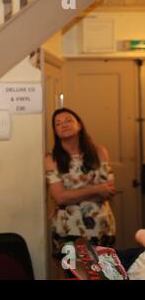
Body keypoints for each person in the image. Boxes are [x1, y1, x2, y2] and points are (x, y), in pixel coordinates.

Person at [45, 108, 116, 260]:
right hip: (68, 229)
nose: (63, 124)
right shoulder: (52, 159)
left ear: (80, 125)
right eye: (58, 123)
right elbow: (60, 198)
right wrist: (96, 189)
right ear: (55, 131)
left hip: (101, 226)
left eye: (68, 120)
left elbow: (109, 190)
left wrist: (73, 194)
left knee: (104, 273)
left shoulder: (99, 152)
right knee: (70, 274)